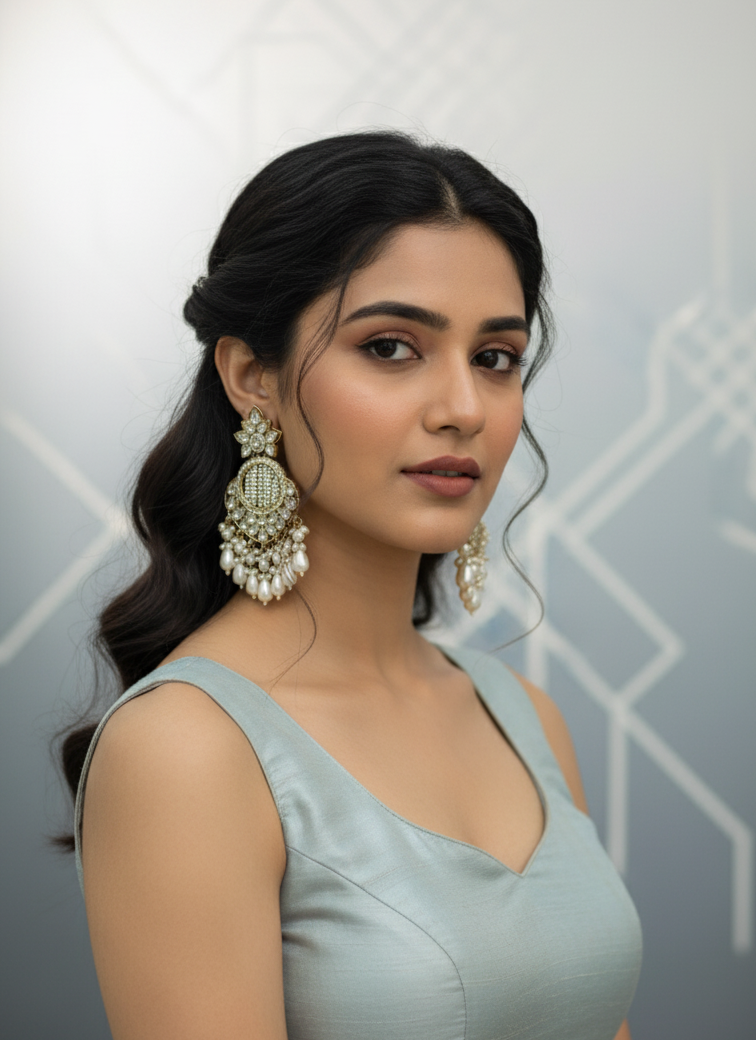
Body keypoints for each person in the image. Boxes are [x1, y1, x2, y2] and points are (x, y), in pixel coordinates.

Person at [60, 131, 642, 1040]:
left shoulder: (524, 715)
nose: (462, 407)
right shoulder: (186, 749)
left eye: (495, 357)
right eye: (392, 347)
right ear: (253, 376)